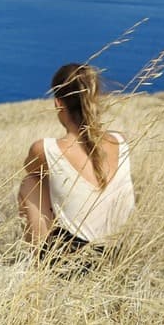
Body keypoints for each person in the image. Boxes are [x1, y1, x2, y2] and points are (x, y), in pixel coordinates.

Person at [18, 63, 135, 262]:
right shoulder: (120, 141)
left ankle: (38, 267)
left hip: (74, 262)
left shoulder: (45, 149)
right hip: (119, 255)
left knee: (31, 182)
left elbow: (32, 170)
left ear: (58, 103)